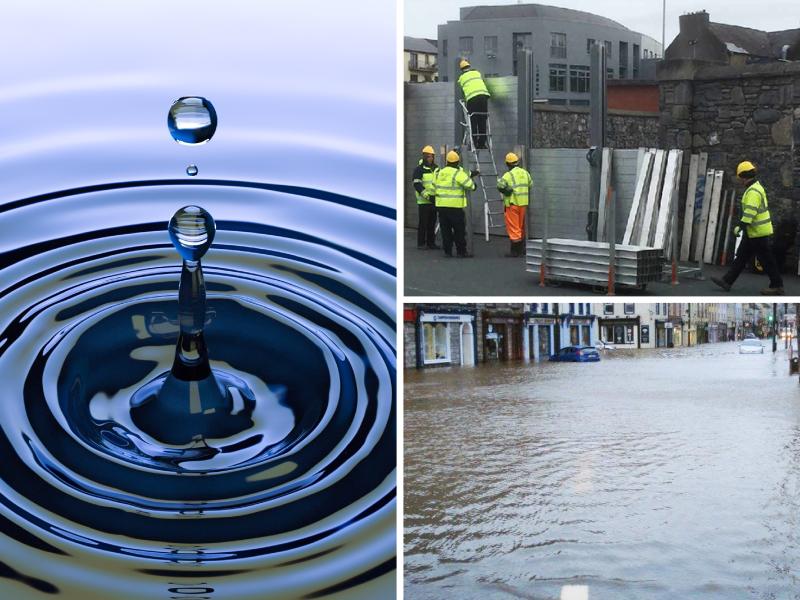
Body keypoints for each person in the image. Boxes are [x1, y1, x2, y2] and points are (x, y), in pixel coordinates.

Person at [711, 161, 784, 295]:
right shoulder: (755, 187)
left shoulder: (753, 191)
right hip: (754, 232)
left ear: (743, 176)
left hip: (758, 232)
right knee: (742, 257)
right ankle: (727, 281)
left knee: (766, 260)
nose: (739, 180)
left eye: (739, 177)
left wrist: (740, 226)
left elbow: (750, 212)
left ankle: (777, 285)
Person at [433, 150, 479, 257]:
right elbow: (470, 186)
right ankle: (461, 252)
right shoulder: (458, 173)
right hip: (455, 207)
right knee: (459, 230)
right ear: (458, 162)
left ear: (447, 161)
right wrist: (474, 183)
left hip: (441, 206)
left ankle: (447, 252)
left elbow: (434, 185)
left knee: (445, 231)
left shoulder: (439, 172)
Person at [497, 152, 532, 257]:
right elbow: (530, 184)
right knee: (521, 227)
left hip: (512, 204)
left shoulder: (508, 175)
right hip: (523, 204)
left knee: (513, 228)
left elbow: (500, 185)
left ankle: (515, 251)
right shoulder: (525, 173)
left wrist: (506, 191)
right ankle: (522, 249)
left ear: (508, 164)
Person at [457, 59, 491, 150]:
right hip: (484, 97)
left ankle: (474, 144)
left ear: (461, 69)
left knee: (473, 121)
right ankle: (482, 144)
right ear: (469, 66)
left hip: (472, 99)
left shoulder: (462, 77)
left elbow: (462, 87)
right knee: (482, 121)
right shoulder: (477, 73)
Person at [412, 145, 439, 249]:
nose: (430, 158)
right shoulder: (419, 170)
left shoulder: (436, 168)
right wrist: (427, 196)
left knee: (432, 223)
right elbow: (417, 185)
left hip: (434, 200)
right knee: (423, 224)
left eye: (431, 156)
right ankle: (421, 243)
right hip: (424, 201)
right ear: (424, 156)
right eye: (428, 156)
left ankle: (431, 243)